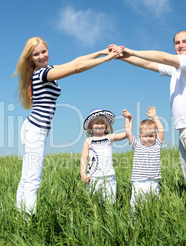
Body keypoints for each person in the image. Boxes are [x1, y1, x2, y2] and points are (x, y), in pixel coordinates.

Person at [13, 37, 120, 216]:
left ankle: (19, 215)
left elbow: (75, 62)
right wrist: (106, 59)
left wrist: (101, 52)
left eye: (43, 51)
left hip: (34, 128)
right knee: (32, 180)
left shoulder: (46, 70)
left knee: (27, 177)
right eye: (36, 54)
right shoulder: (42, 74)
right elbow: (77, 69)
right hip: (35, 130)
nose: (41, 56)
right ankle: (25, 221)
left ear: (48, 50)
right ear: (30, 58)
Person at [111, 31, 186, 212]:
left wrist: (130, 50)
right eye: (177, 43)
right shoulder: (177, 69)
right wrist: (123, 57)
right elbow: (150, 63)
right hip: (185, 127)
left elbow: (162, 57)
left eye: (185, 42)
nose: (180, 45)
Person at [80, 109, 127, 203]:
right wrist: (83, 174)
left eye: (102, 123)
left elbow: (126, 134)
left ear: (106, 125)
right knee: (94, 203)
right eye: (96, 123)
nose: (99, 126)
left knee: (110, 202)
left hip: (109, 176)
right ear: (91, 125)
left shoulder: (109, 138)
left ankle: (109, 217)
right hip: (93, 177)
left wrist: (127, 119)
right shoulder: (88, 141)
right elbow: (84, 158)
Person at [122, 107, 164, 208]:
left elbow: (161, 131)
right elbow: (128, 133)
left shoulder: (157, 144)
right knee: (136, 207)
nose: (148, 139)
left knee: (153, 207)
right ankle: (135, 222)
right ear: (140, 136)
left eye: (151, 136)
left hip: (153, 182)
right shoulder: (137, 145)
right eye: (145, 136)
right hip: (139, 183)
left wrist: (154, 117)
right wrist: (128, 119)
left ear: (155, 135)